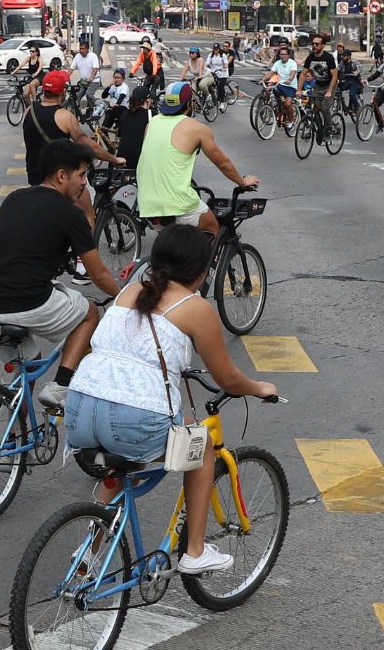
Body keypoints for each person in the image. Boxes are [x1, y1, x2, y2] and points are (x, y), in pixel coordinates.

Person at [65, 223, 278, 573]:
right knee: (202, 446)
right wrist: (258, 387)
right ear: (200, 270)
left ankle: (90, 550)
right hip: (133, 420)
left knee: (121, 465)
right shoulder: (196, 309)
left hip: (80, 409)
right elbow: (227, 378)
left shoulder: (130, 290)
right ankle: (194, 551)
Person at [0, 139, 121, 410]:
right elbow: (97, 273)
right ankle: (61, 386)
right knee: (89, 313)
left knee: (27, 365)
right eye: (82, 175)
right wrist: (122, 296)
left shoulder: (13, 199)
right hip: (28, 303)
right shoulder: (70, 214)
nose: (84, 184)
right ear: (62, 175)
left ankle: (18, 438)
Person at [137, 82, 259, 238]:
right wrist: (242, 182)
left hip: (147, 203)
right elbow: (223, 163)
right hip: (178, 203)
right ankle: (204, 263)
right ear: (189, 103)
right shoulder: (197, 128)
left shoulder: (152, 123)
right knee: (213, 229)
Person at [22, 70, 126, 237]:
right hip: (60, 180)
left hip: (34, 177)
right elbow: (89, 145)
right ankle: (82, 260)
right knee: (88, 214)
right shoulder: (65, 117)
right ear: (62, 92)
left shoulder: (29, 111)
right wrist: (113, 159)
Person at [302, 35, 338, 136]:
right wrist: (299, 90)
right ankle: (320, 130)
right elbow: (303, 74)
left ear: (323, 45)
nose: (314, 46)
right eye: (313, 44)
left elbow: (335, 76)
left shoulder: (328, 57)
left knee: (325, 108)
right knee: (315, 108)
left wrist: (330, 91)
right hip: (318, 86)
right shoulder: (311, 57)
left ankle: (329, 129)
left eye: (317, 44)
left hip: (330, 85)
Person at [116, 85, 152, 168]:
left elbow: (121, 134)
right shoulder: (151, 115)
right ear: (147, 100)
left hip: (122, 158)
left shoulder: (124, 114)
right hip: (140, 160)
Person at [263, 46, 299, 131]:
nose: (282, 56)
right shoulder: (277, 63)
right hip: (280, 85)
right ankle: (272, 107)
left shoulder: (292, 63)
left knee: (288, 104)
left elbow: (292, 73)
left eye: (284, 54)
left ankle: (291, 121)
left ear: (288, 55)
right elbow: (271, 73)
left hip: (290, 86)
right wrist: (263, 79)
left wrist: (289, 79)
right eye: (281, 54)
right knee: (268, 90)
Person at [68, 41, 101, 116]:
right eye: (80, 48)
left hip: (94, 81)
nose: (81, 50)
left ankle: (98, 106)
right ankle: (77, 113)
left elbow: (95, 69)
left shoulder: (93, 56)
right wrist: (65, 77)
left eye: (83, 49)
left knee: (88, 94)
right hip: (83, 82)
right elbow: (71, 69)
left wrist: (91, 78)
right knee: (76, 97)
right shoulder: (77, 56)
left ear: (87, 49)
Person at [205, 43, 230, 110]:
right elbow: (207, 63)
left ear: (219, 49)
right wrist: (206, 67)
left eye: (217, 49)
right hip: (214, 73)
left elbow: (226, 63)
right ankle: (212, 100)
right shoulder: (211, 55)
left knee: (220, 87)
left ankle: (222, 102)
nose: (216, 51)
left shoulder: (223, 55)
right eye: (214, 49)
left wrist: (224, 67)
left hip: (222, 73)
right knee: (209, 85)